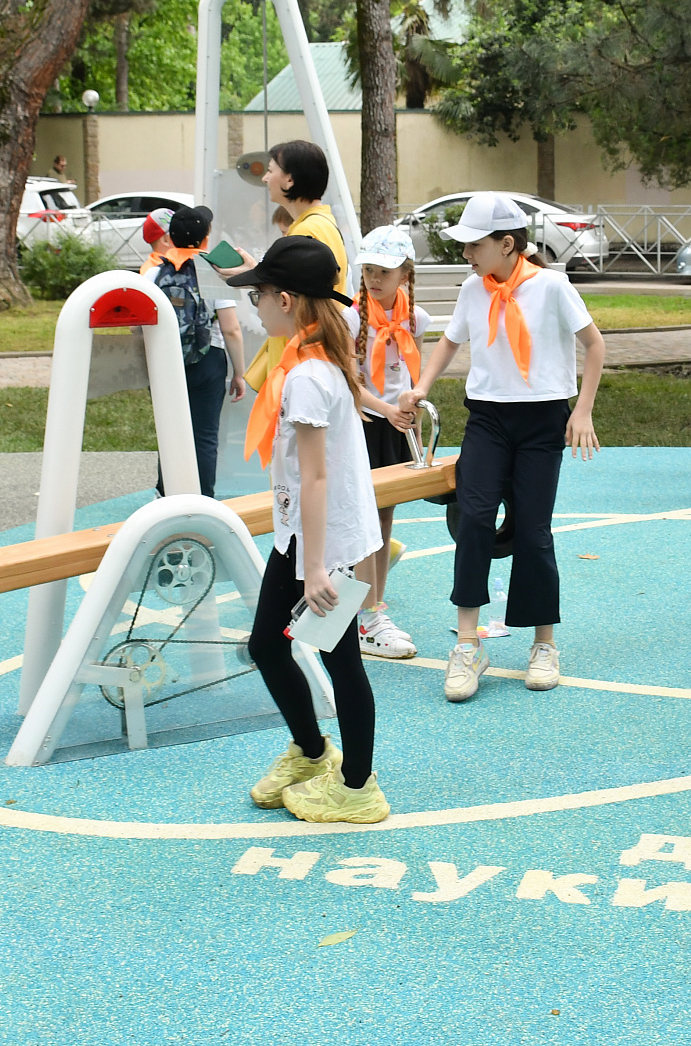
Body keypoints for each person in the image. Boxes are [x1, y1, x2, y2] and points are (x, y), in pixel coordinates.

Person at [398, 193, 606, 702]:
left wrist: (582, 410)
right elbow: (450, 341)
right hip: (488, 420)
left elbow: (595, 345)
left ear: (507, 244)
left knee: (533, 530)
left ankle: (544, 643)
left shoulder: (552, 286)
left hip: (542, 421)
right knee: (473, 519)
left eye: (475, 244)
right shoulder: (474, 288)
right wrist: (420, 387)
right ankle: (468, 645)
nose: (466, 253)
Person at [226, 237, 390, 824]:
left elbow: (316, 476)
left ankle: (357, 787)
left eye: (260, 295)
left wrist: (316, 568)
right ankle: (312, 752)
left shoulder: (307, 375)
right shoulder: (316, 358)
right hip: (303, 536)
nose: (255, 307)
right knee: (268, 646)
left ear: (287, 300)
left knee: (340, 660)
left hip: (320, 543)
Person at [344, 224, 431, 660]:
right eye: (369, 270)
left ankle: (373, 608)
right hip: (365, 424)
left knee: (383, 520)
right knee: (363, 523)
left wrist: (414, 417)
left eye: (385, 271)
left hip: (396, 425)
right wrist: (388, 409)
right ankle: (367, 617)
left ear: (405, 274)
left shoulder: (416, 318)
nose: (375, 279)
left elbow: (415, 374)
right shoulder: (351, 317)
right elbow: (350, 382)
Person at [220, 140, 350, 395]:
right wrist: (256, 272)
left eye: (270, 170)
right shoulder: (322, 224)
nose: (265, 178)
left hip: (298, 362)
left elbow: (299, 303)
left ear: (289, 180)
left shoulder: (306, 231)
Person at [142, 205, 245, 497]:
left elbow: (140, 327)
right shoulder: (213, 272)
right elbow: (231, 329)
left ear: (170, 238)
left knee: (169, 432)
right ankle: (202, 499)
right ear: (206, 239)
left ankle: (167, 495)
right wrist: (239, 373)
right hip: (208, 359)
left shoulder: (153, 274)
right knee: (204, 436)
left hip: (165, 361)